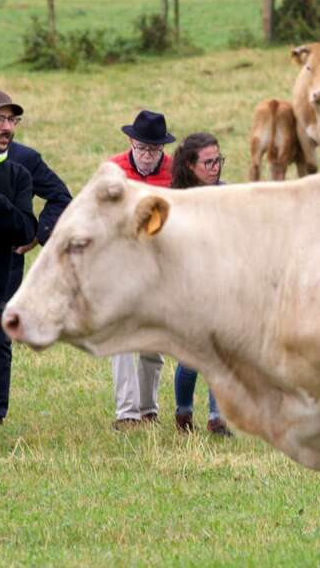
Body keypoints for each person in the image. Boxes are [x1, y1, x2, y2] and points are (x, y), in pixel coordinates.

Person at [108, 110, 175, 430]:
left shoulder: (174, 170)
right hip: (121, 263)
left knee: (152, 343)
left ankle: (148, 408)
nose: (149, 156)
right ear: (131, 142)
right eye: (143, 148)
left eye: (155, 149)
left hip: (159, 267)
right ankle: (127, 413)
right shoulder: (113, 170)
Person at [169, 133, 233, 437]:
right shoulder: (176, 201)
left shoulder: (228, 195)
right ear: (190, 165)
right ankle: (183, 413)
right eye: (208, 162)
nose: (215, 167)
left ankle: (217, 418)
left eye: (218, 160)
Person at [0, 93, 37, 426]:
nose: (6, 127)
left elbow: (24, 230)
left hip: (0, 281)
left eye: (11, 121)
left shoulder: (19, 175)